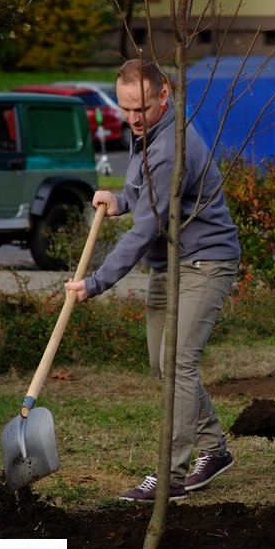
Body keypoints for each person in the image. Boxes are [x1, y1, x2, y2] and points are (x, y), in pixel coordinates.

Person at [65, 59, 242, 501]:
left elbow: (146, 230)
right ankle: (215, 451)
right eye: (126, 110)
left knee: (179, 363)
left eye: (141, 107)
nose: (133, 118)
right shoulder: (148, 134)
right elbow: (147, 200)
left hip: (205, 262)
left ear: (164, 94)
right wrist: (120, 199)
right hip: (170, 265)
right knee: (162, 362)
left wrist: (96, 281)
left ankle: (171, 477)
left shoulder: (168, 149)